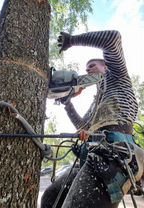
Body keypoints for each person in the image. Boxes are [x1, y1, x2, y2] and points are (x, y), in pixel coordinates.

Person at [41, 30, 144, 208]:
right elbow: (82, 126)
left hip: (116, 153)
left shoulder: (118, 77)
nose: (88, 69)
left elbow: (112, 38)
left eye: (92, 64)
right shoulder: (97, 101)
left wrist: (72, 40)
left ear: (106, 66)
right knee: (50, 197)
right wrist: (67, 103)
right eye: (86, 67)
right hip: (92, 154)